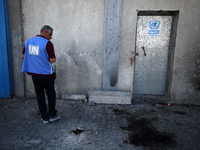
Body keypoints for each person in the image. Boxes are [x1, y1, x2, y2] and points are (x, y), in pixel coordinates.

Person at [22, 25, 60, 124]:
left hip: (34, 74)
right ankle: (52, 115)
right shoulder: (48, 43)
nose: (51, 37)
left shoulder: (28, 42)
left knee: (40, 95)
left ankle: (44, 117)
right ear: (45, 32)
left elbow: (23, 55)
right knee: (51, 93)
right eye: (50, 35)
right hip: (46, 74)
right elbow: (53, 60)